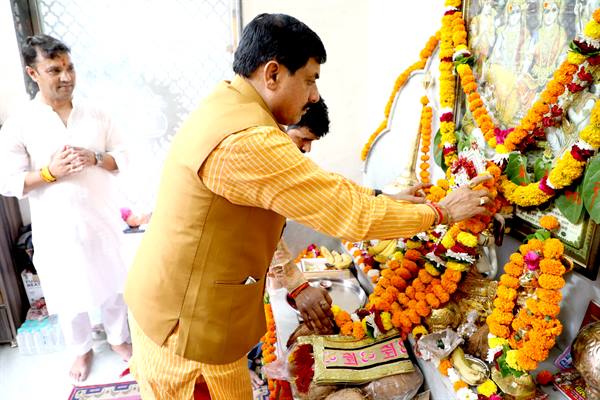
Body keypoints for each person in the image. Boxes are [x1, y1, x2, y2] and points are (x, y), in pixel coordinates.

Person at [124, 13, 490, 399]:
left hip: (180, 308)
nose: (314, 95)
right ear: (272, 74)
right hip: (186, 331)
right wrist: (443, 212)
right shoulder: (249, 140)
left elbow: (322, 185)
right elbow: (347, 212)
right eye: (310, 79)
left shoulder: (228, 104)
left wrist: (382, 198)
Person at [0, 35, 131, 382]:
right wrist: (49, 172)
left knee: (114, 284)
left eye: (70, 67)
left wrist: (96, 158)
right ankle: (81, 349)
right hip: (57, 228)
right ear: (33, 73)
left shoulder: (96, 112)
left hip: (101, 218)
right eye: (54, 70)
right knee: (69, 294)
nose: (66, 77)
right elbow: (8, 182)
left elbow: (123, 157)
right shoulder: (20, 123)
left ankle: (119, 338)